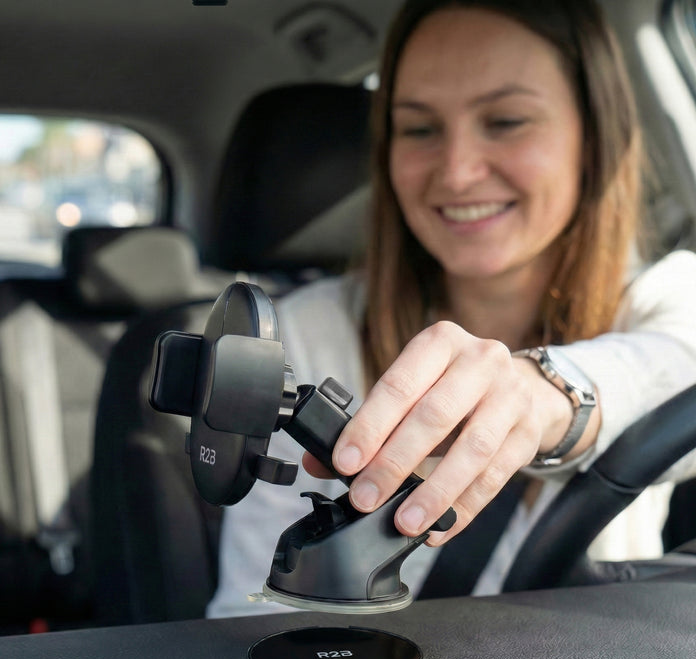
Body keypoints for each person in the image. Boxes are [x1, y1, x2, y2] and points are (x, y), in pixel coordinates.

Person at [206, 0, 696, 618]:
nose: (459, 173)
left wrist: (544, 396)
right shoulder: (307, 330)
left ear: (593, 139)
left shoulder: (666, 293)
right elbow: (254, 614)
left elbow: (681, 364)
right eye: (419, 129)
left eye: (508, 120)